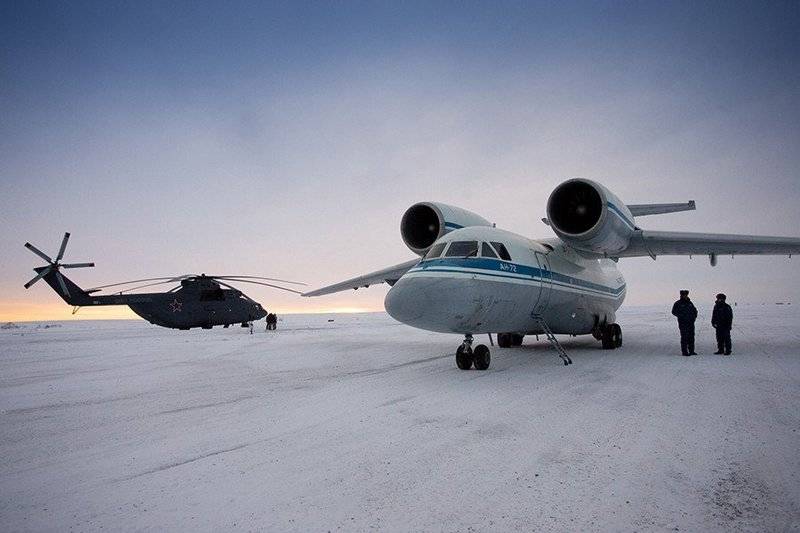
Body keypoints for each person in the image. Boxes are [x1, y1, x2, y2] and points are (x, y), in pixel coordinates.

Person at [671, 289, 698, 356]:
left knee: (691, 337)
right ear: (681, 295)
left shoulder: (690, 303)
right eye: (683, 295)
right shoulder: (678, 303)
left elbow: (695, 311)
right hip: (683, 323)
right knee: (684, 337)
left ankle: (691, 351)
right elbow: (673, 312)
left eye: (686, 295)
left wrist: (694, 317)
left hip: (691, 323)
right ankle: (685, 352)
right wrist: (681, 316)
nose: (685, 296)